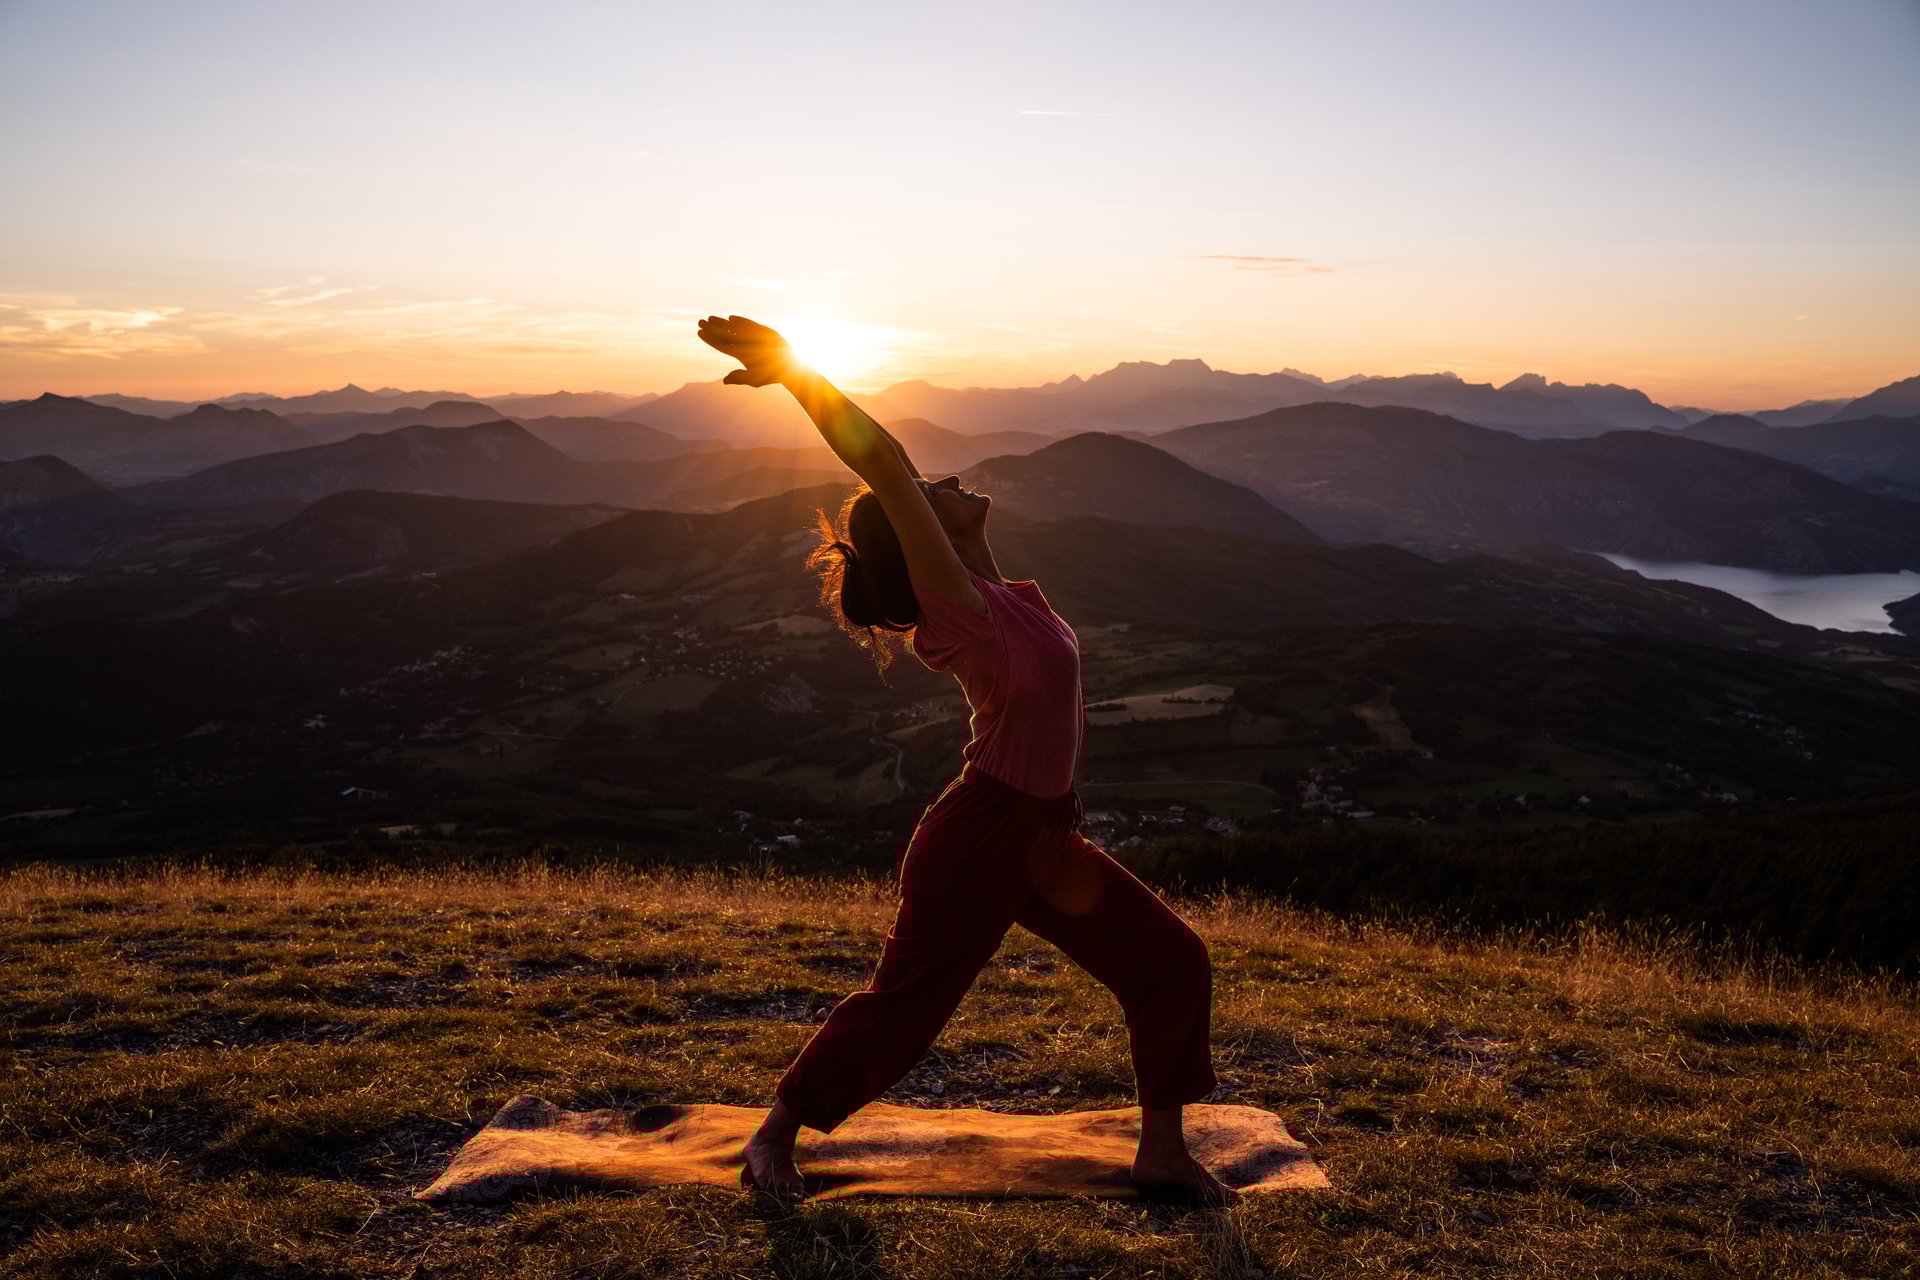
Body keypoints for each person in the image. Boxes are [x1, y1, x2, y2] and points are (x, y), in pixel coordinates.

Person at [696, 315, 1235, 1206]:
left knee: (1172, 963)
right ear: (921, 548)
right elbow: (886, 463)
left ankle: (1163, 1152)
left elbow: (907, 474)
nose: (945, 479)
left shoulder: (1002, 594)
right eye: (929, 490)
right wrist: (797, 373)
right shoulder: (958, 608)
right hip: (982, 836)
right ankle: (773, 1137)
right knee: (906, 1008)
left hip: (1043, 839)